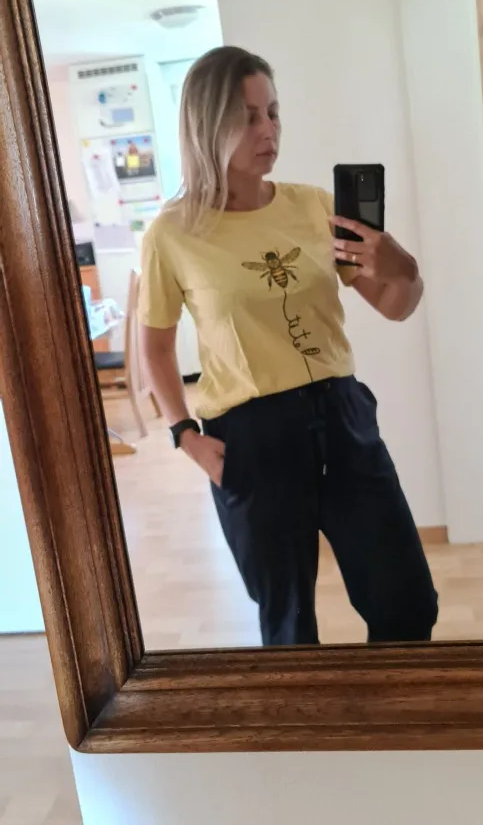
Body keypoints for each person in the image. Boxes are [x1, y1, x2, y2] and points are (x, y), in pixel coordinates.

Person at [138, 46, 438, 647]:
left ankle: (393, 706)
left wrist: (404, 269)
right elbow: (157, 348)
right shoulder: (173, 233)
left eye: (273, 112)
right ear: (206, 123)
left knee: (407, 602)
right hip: (253, 439)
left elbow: (395, 306)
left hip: (343, 417)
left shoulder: (314, 206)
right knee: (288, 625)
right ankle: (308, 713)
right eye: (248, 116)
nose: (268, 129)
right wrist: (186, 436)